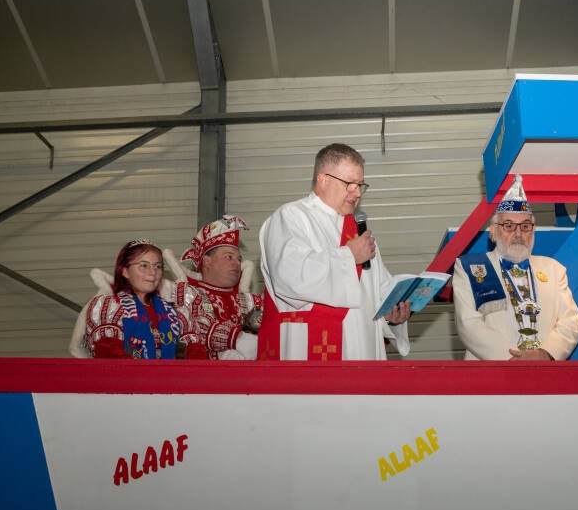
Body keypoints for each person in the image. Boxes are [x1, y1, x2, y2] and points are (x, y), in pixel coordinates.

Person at [258, 143, 411, 360]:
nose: (356, 193)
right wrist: (349, 256)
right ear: (323, 179)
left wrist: (391, 314)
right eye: (349, 183)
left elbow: (378, 292)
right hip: (307, 349)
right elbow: (288, 279)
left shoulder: (358, 232)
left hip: (362, 348)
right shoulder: (291, 217)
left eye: (360, 185)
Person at [453, 174, 578, 360]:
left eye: (525, 226)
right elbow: (469, 324)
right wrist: (512, 360)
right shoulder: (469, 267)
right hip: (491, 374)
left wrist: (545, 354)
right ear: (493, 231)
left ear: (533, 229)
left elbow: (570, 321)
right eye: (509, 225)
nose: (518, 233)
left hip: (543, 373)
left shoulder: (554, 270)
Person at [163, 215, 263, 360]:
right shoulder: (189, 295)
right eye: (229, 257)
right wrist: (235, 338)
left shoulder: (249, 301)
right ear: (207, 261)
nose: (236, 263)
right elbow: (194, 332)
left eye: (239, 259)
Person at [72, 239, 181, 359]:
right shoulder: (111, 305)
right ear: (125, 271)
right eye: (144, 265)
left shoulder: (172, 310)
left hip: (168, 376)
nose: (152, 272)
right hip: (127, 376)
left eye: (158, 266)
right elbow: (108, 353)